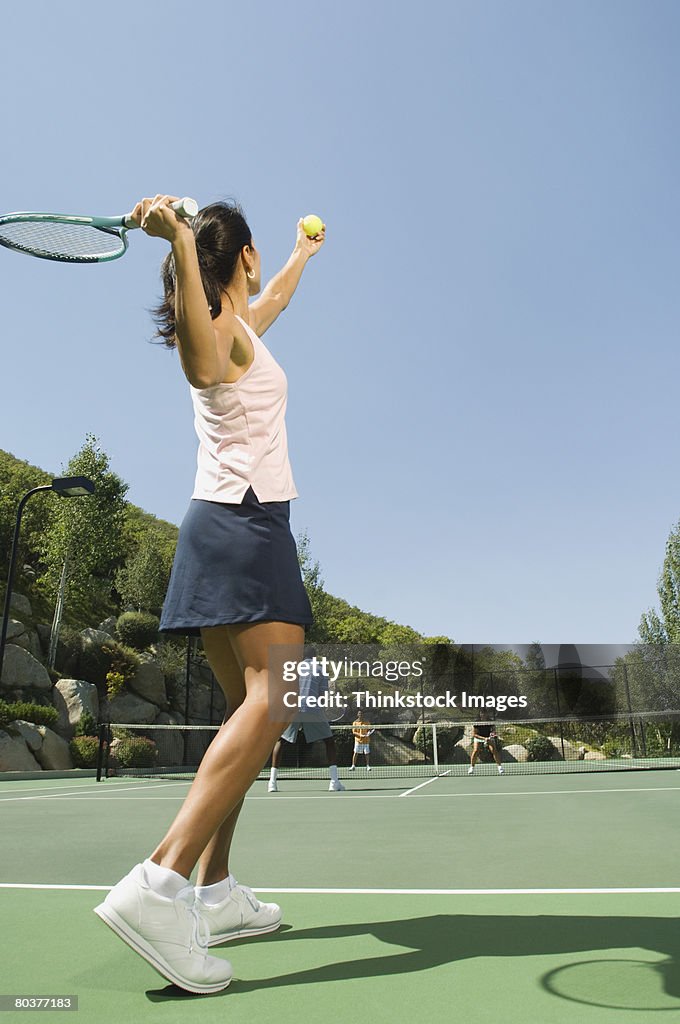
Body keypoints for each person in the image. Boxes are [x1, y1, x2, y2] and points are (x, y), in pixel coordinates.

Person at [94, 195, 326, 994]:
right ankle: (160, 884)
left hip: (220, 526)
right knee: (277, 698)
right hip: (248, 524)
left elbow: (276, 300)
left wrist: (302, 252)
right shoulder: (219, 333)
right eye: (261, 253)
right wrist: (186, 243)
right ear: (242, 258)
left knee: (247, 718)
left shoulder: (243, 322)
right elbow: (199, 359)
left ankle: (217, 891)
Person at [269, 656, 345, 792]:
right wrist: (320, 709)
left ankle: (272, 783)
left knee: (281, 740)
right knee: (329, 742)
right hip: (312, 709)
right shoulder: (320, 670)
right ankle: (334, 783)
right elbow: (322, 695)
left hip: (292, 708)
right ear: (314, 658)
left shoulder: (292, 669)